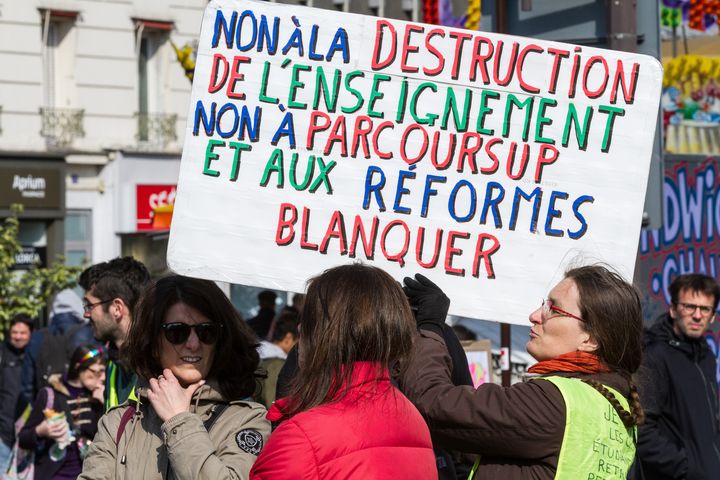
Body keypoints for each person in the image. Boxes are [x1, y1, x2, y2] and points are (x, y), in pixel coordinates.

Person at [399, 266, 644, 479]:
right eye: (543, 305)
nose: (535, 316)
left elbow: (432, 403)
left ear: (589, 339)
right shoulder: (612, 404)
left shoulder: (552, 402)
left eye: (554, 309)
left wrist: (430, 327)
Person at [249, 264, 436, 479]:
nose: (300, 330)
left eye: (307, 321)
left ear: (323, 334)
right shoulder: (411, 417)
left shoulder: (300, 438)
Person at [78, 275, 270, 480]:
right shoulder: (118, 422)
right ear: (152, 342)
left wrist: (179, 421)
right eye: (178, 332)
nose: (194, 344)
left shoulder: (247, 419)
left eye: (207, 332)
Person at [637, 273, 720, 480]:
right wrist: (686, 468)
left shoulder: (706, 357)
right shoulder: (655, 355)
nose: (697, 315)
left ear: (712, 316)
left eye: (704, 309)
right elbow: (641, 430)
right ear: (673, 309)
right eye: (689, 306)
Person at [18, 345, 105, 480]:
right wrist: (41, 431)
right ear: (78, 367)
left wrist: (106, 404)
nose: (101, 377)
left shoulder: (100, 397)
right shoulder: (50, 394)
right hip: (53, 473)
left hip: (89, 474)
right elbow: (23, 439)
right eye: (95, 371)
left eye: (103, 371)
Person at [78, 256, 150, 410]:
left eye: (90, 305)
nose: (86, 314)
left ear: (117, 308)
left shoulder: (156, 366)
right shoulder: (113, 361)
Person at [21, 289, 97, 406]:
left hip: (49, 409)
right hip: (83, 406)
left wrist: (36, 408)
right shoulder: (89, 333)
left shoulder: (37, 337)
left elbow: (27, 384)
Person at [0, 314, 34, 470]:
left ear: (31, 334)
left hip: (29, 434)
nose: (18, 337)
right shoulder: (2, 354)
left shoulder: (36, 356)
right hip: (4, 434)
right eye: (14, 332)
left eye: (23, 333)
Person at [257, 311, 299, 408]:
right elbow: (272, 404)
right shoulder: (277, 364)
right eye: (298, 341)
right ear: (288, 338)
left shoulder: (259, 354)